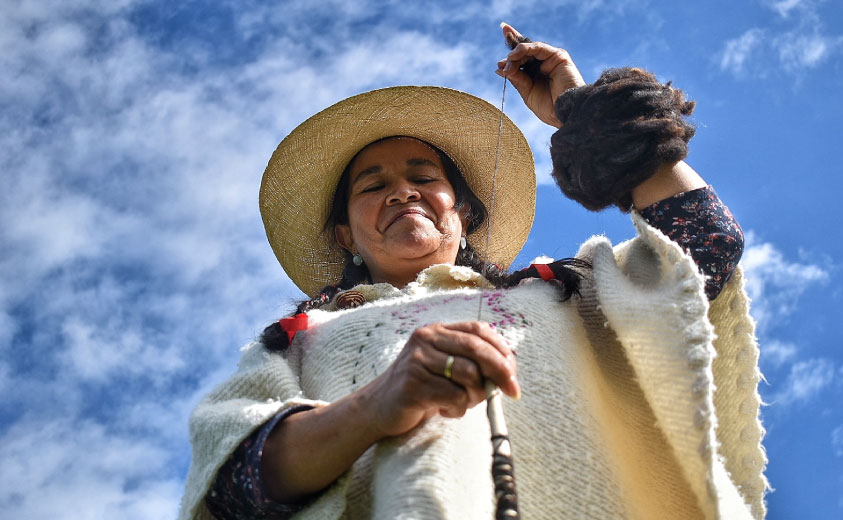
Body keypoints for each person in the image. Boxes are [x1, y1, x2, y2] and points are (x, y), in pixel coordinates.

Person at [178, 25, 767, 520]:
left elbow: (705, 243)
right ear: (343, 234)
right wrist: (374, 405)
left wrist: (579, 108)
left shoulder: (567, 294)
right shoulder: (300, 342)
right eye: (373, 185)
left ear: (462, 212)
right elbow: (233, 486)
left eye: (425, 178)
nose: (403, 191)